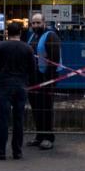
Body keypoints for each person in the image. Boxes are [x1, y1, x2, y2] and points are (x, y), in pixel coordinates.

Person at [0, 21, 36, 160]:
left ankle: (1, 151)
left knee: (3, 119)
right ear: (20, 33)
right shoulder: (27, 48)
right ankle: (17, 151)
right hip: (21, 85)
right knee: (19, 119)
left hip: (5, 85)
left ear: (7, 33)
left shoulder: (1, 46)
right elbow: (32, 69)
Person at [26, 12, 61, 150]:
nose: (35, 25)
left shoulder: (50, 36)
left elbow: (54, 60)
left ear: (44, 23)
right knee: (36, 108)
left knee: (46, 108)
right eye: (33, 23)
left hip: (46, 79)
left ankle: (48, 137)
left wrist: (49, 81)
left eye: (38, 22)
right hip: (33, 79)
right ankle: (39, 136)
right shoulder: (33, 37)